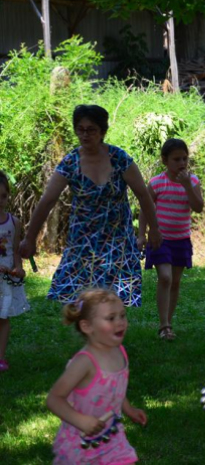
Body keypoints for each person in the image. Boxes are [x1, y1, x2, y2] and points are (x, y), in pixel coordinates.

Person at [19, 105, 162, 307]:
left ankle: (110, 336)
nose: (85, 135)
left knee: (112, 300)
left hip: (117, 241)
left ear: (102, 131)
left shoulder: (120, 159)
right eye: (80, 129)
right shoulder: (70, 162)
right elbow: (47, 201)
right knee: (82, 301)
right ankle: (92, 335)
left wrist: (153, 229)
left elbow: (143, 195)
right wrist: (29, 238)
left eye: (91, 129)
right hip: (83, 243)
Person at [47, 288, 147, 464]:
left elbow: (115, 387)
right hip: (81, 443)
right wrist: (81, 421)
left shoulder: (120, 351)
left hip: (112, 436)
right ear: (87, 326)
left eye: (122, 315)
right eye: (111, 318)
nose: (120, 322)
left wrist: (128, 409)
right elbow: (54, 398)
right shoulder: (85, 362)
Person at [138, 138, 203, 340]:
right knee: (165, 278)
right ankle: (164, 325)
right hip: (160, 239)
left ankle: (168, 322)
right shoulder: (157, 183)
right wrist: (142, 234)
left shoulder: (192, 182)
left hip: (181, 240)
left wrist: (187, 186)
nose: (182, 163)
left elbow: (198, 207)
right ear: (165, 160)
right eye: (176, 159)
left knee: (175, 282)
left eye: (184, 159)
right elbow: (144, 210)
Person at [0, 171, 31, 372]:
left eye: (3, 196)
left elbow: (16, 251)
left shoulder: (14, 222)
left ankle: (0, 357)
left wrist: (18, 268)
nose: (0, 201)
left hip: (5, 279)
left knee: (3, 317)